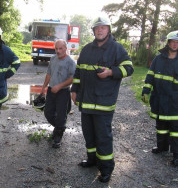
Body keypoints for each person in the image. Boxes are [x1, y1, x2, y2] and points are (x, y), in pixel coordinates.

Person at [71, 16, 134, 183]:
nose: (100, 30)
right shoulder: (86, 49)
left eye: (103, 28)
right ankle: (92, 160)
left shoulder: (116, 48)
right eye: (97, 28)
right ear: (93, 31)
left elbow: (129, 68)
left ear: (108, 30)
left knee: (103, 136)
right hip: (86, 101)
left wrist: (111, 72)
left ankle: (106, 169)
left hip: (104, 103)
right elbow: (78, 71)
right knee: (89, 134)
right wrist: (74, 89)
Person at [142, 30, 178, 166]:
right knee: (161, 125)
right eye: (173, 42)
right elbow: (150, 76)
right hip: (159, 98)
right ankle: (162, 147)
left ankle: (176, 154)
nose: (175, 45)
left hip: (175, 101)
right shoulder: (159, 59)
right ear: (168, 43)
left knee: (176, 130)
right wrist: (146, 91)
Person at [40, 39, 76, 148]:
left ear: (66, 48)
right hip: (51, 91)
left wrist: (59, 86)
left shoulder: (70, 62)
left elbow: (73, 78)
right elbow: (49, 74)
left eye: (60, 48)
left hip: (63, 92)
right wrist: (43, 88)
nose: (58, 51)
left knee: (61, 115)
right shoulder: (53, 59)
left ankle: (58, 137)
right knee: (48, 113)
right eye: (56, 48)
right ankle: (60, 128)